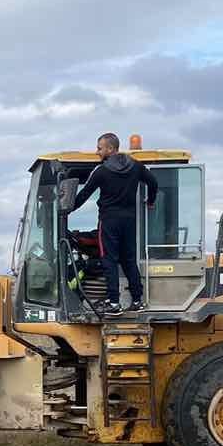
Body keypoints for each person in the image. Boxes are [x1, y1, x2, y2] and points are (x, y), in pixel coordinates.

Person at [69, 132, 158, 313]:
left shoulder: (102, 171)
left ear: (110, 149)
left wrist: (67, 210)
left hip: (109, 221)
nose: (97, 152)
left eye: (99, 148)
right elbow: (153, 182)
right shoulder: (135, 166)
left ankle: (113, 302)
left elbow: (84, 194)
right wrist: (150, 201)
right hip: (129, 221)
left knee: (108, 259)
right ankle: (137, 301)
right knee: (129, 260)